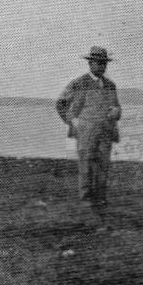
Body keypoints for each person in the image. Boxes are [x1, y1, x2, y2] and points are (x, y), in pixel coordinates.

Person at [56, 46, 122, 206]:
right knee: (86, 164)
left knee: (103, 165)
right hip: (86, 132)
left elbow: (117, 106)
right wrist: (72, 121)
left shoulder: (110, 85)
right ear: (90, 63)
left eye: (104, 63)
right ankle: (86, 197)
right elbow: (61, 104)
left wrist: (117, 111)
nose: (102, 66)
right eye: (98, 63)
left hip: (106, 132)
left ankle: (100, 196)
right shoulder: (79, 83)